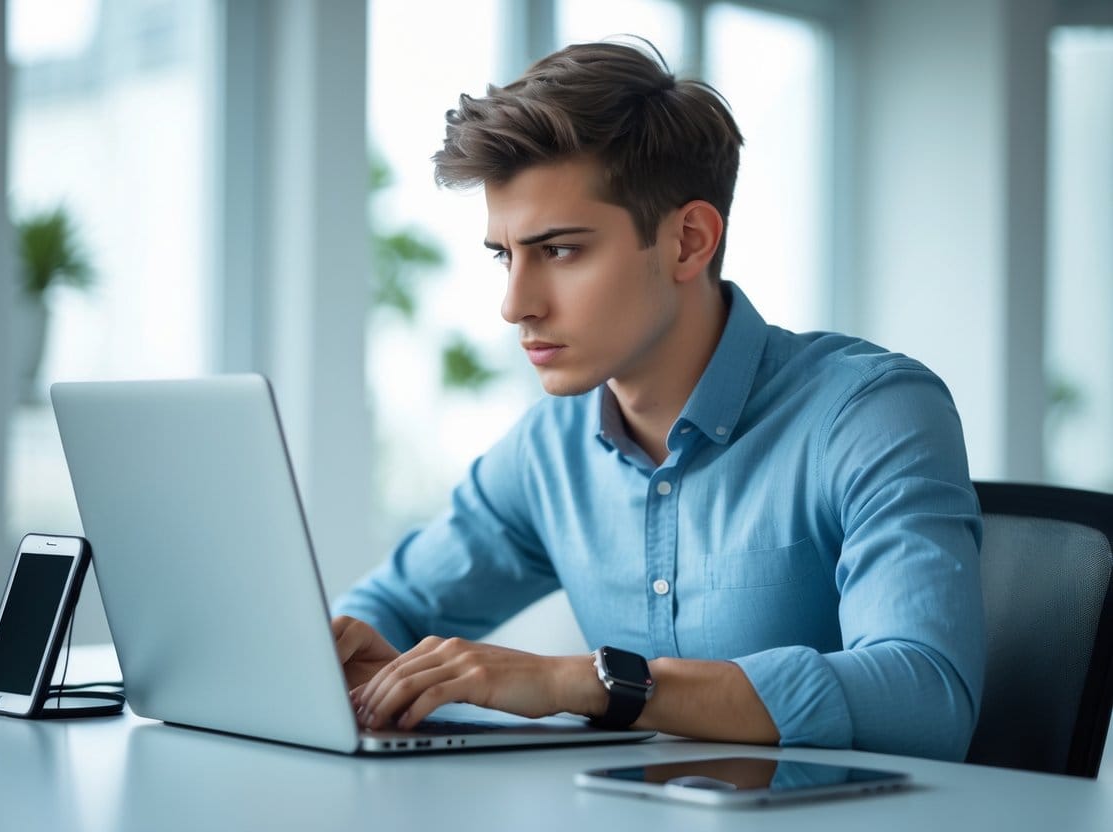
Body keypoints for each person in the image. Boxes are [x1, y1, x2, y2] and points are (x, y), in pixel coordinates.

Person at [331, 39, 984, 761]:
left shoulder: (868, 413)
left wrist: (592, 684)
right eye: (504, 256)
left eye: (559, 251)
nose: (514, 304)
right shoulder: (547, 450)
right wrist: (351, 657)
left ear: (688, 241)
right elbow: (384, 610)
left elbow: (926, 698)